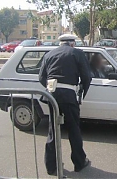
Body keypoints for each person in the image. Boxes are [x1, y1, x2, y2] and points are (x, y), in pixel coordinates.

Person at [39, 34, 92, 175]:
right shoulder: (77, 53)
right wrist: (81, 93)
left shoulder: (49, 54)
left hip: (51, 95)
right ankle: (79, 163)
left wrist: (51, 87)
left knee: (53, 129)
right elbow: (87, 76)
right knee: (73, 129)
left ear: (61, 43)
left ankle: (51, 166)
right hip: (69, 95)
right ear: (72, 43)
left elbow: (41, 77)